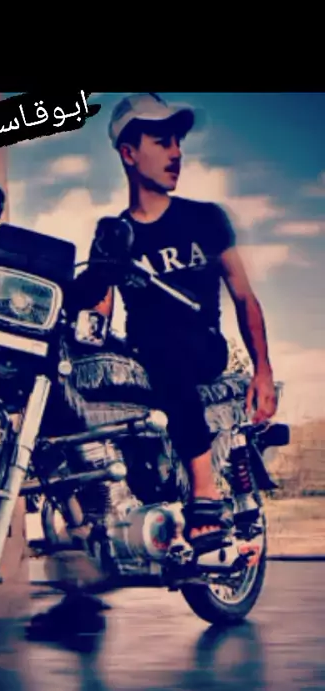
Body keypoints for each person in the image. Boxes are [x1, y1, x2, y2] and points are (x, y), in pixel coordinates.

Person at [70, 93, 278, 554]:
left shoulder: (205, 219)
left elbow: (244, 296)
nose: (176, 153)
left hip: (202, 345)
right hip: (143, 351)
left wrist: (263, 371)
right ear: (129, 153)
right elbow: (100, 312)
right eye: (162, 142)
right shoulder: (115, 233)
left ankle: (205, 492)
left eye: (177, 143)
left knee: (166, 342)